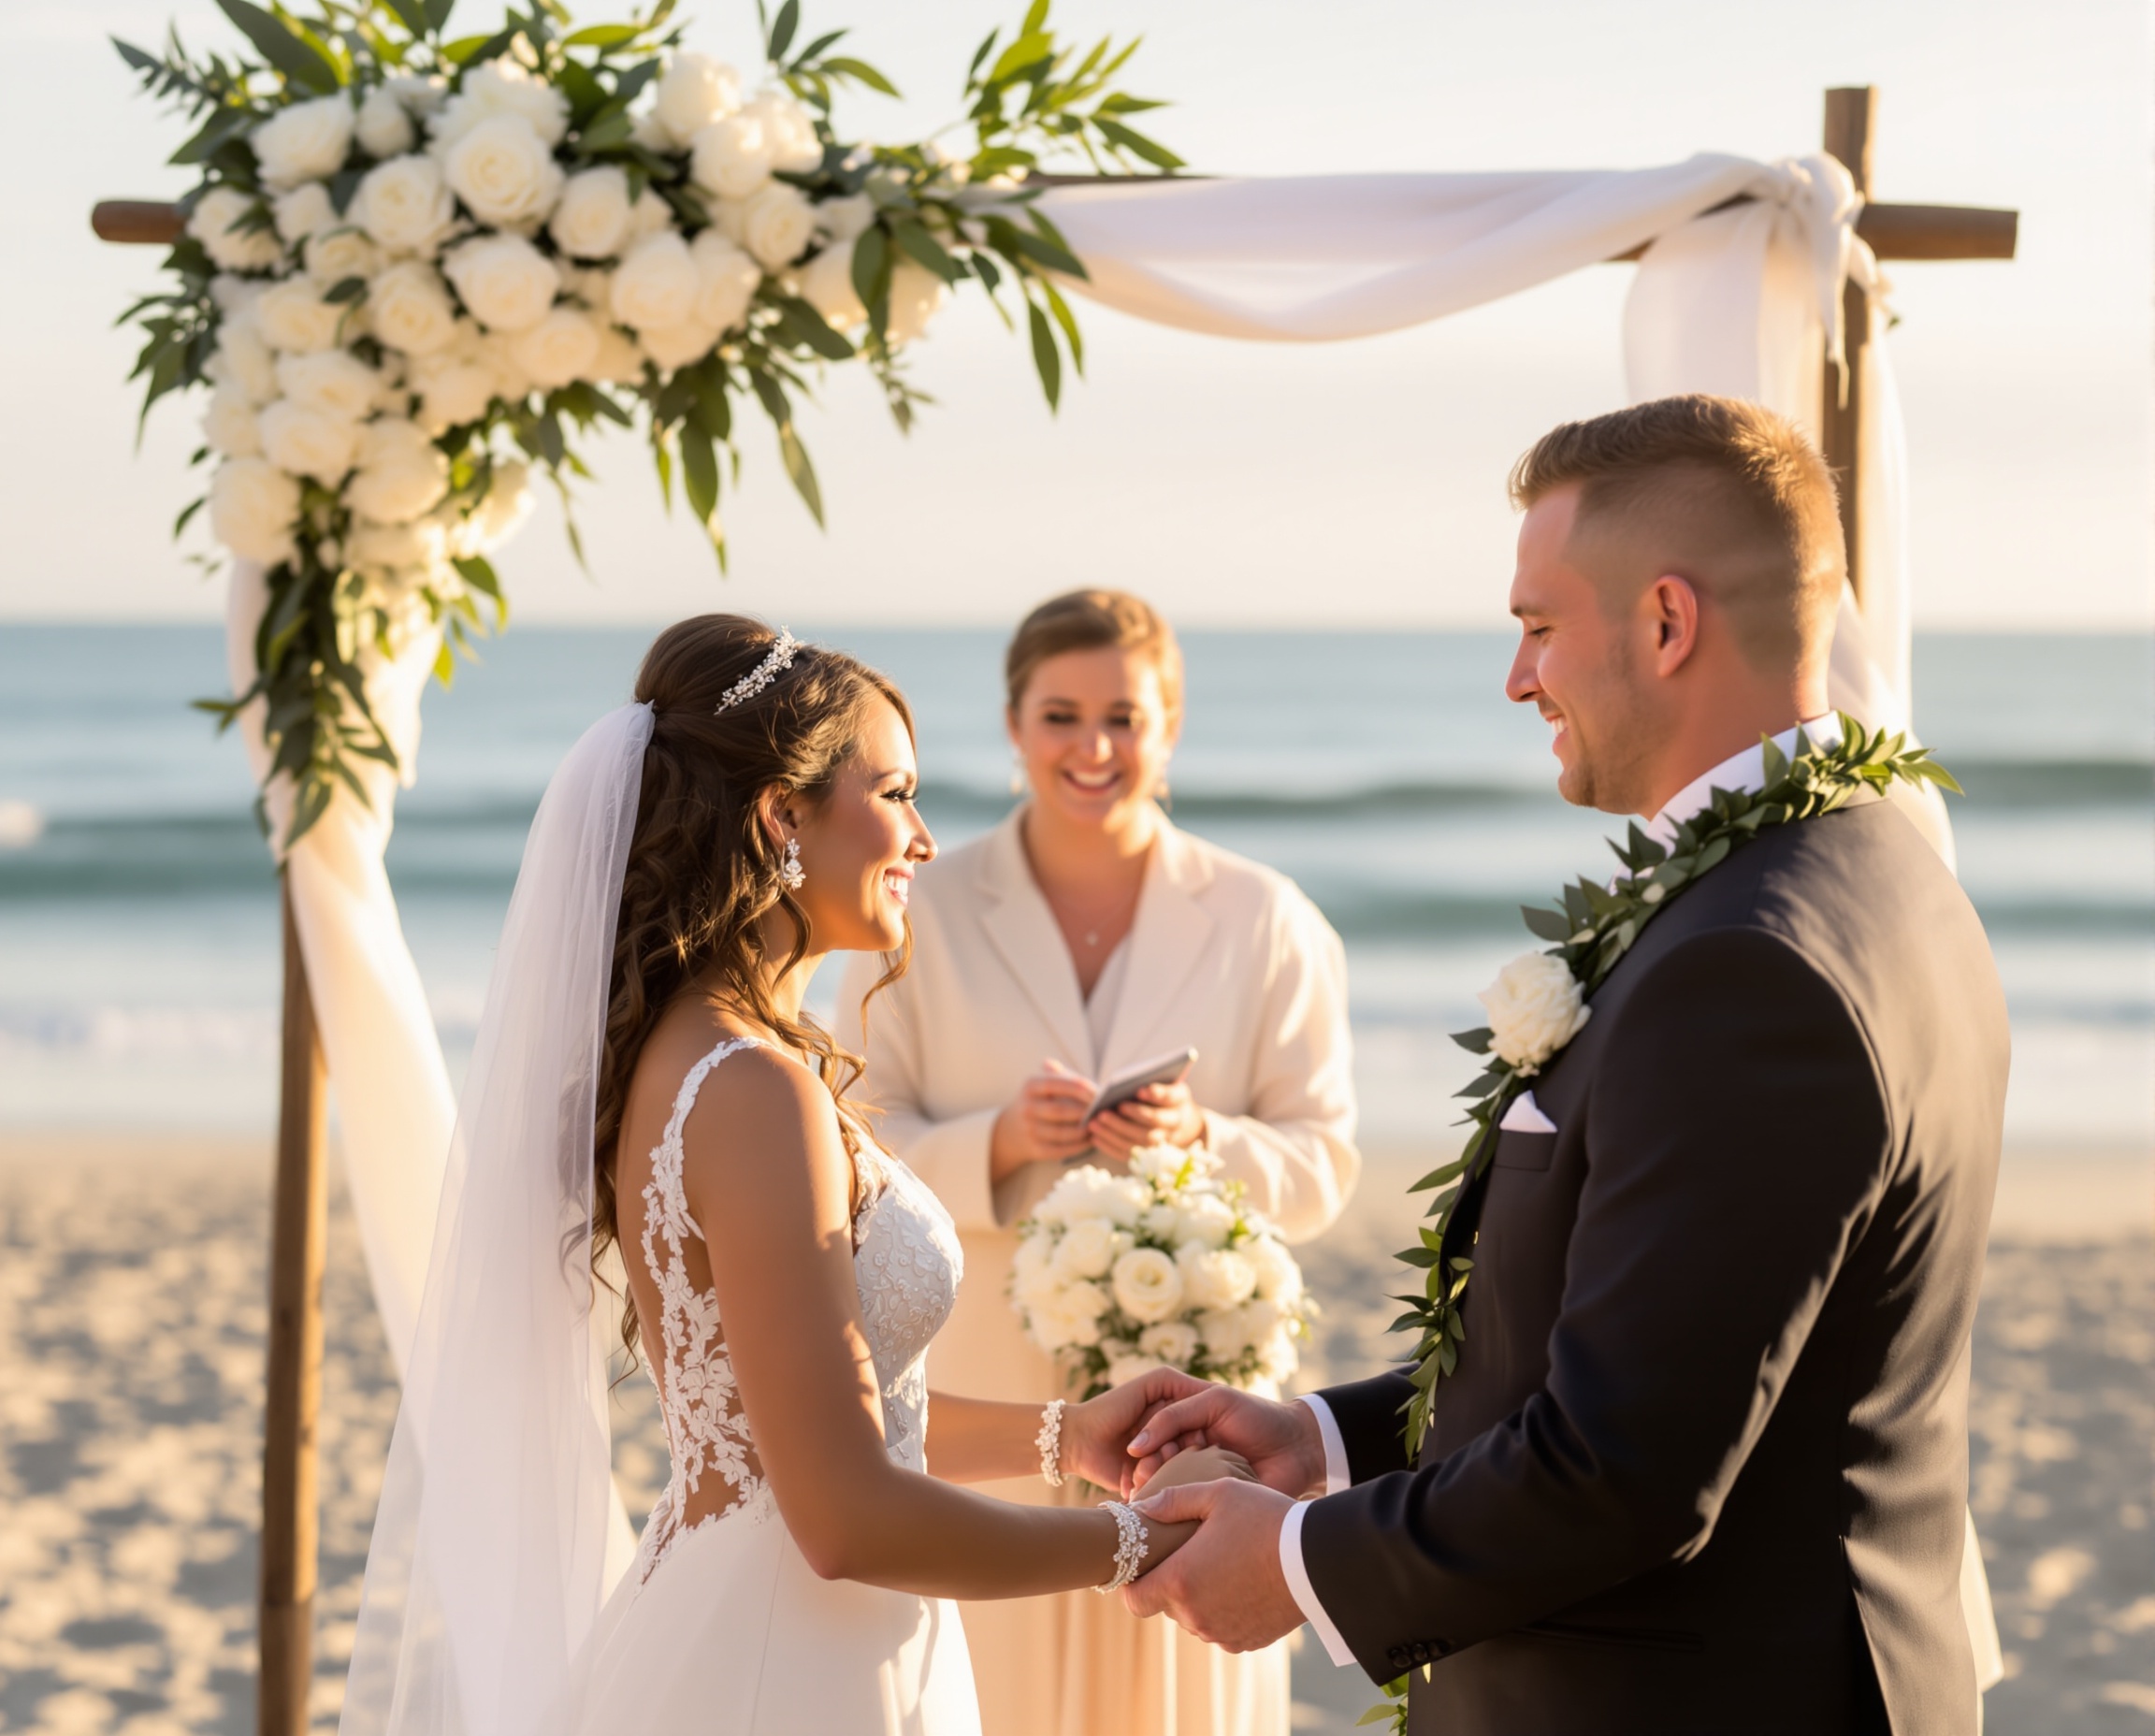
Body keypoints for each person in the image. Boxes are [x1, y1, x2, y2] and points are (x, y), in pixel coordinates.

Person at [1111, 398, 2009, 1736]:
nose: (1518, 679)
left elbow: (1626, 1469)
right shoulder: (1879, 872)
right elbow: (1653, 1348)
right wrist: (1331, 1442)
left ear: (1665, 621)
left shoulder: (1745, 967)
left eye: (1537, 627)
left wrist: (1302, 1563)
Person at [339, 615, 1248, 1736]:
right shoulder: (753, 1090)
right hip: (792, 1668)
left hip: (754, 1623)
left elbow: (819, 1416)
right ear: (782, 815)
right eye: (897, 792)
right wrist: (1152, 1542)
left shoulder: (694, 1048)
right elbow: (844, 1515)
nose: (922, 838)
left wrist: (1065, 1434)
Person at [834, 588, 1360, 1736]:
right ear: (1016, 724)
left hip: (1200, 1387)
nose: (1094, 746)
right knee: (993, 1673)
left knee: (1186, 1681)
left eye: (1125, 716)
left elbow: (1324, 1164)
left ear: (1170, 725)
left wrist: (1205, 1141)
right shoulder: (915, 906)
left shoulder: (1271, 919)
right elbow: (845, 1142)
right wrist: (1000, 1142)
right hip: (990, 1369)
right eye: (1062, 714)